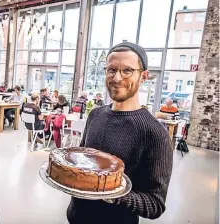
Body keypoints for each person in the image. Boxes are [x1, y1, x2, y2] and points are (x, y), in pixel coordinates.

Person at [67, 42, 173, 224]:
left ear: (144, 76)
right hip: (75, 217)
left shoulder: (155, 133)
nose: (117, 78)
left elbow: (155, 203)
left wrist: (111, 193)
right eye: (111, 70)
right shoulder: (95, 115)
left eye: (127, 71)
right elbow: (82, 162)